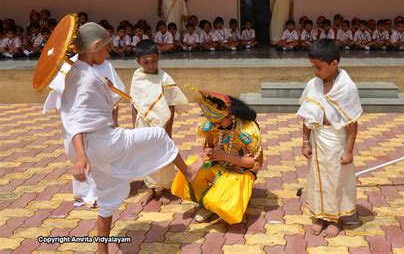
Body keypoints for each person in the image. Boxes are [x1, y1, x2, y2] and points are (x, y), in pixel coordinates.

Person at [59, 22, 203, 253]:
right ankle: (187, 172)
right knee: (158, 135)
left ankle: (101, 250)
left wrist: (101, 86)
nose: (108, 53)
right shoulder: (85, 78)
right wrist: (80, 156)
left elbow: (76, 111)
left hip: (95, 149)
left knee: (106, 201)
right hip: (104, 143)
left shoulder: (77, 71)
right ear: (95, 46)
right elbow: (77, 119)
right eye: (106, 48)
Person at [43, 52, 126, 209]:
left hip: (98, 121)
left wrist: (114, 119)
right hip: (75, 121)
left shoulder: (104, 64)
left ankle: (101, 192)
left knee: (99, 155)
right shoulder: (69, 66)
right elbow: (58, 94)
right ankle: (84, 193)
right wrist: (68, 116)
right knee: (77, 154)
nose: (107, 51)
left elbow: (114, 96)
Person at [297, 39, 362, 238]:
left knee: (336, 179)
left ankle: (334, 219)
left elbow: (352, 122)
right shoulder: (313, 85)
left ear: (334, 64)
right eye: (313, 67)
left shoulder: (347, 87)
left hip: (337, 141)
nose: (315, 72)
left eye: (319, 67)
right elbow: (308, 116)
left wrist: (348, 150)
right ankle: (320, 216)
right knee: (317, 179)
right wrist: (305, 141)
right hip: (318, 139)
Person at [171, 88, 263, 224]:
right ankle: (208, 203)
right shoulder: (211, 125)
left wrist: (226, 156)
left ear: (230, 115)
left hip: (240, 172)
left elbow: (256, 164)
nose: (217, 127)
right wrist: (209, 152)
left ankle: (216, 202)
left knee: (226, 194)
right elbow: (208, 146)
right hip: (220, 165)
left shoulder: (247, 130)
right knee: (190, 168)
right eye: (214, 124)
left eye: (220, 123)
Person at [130, 40, 188, 206]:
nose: (150, 65)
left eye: (154, 61)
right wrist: (135, 128)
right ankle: (151, 188)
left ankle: (167, 188)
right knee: (147, 155)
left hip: (161, 125)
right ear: (138, 61)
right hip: (143, 125)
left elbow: (171, 104)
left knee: (164, 155)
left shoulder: (165, 78)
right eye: (145, 62)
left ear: (158, 58)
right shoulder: (137, 77)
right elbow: (134, 104)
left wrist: (168, 129)